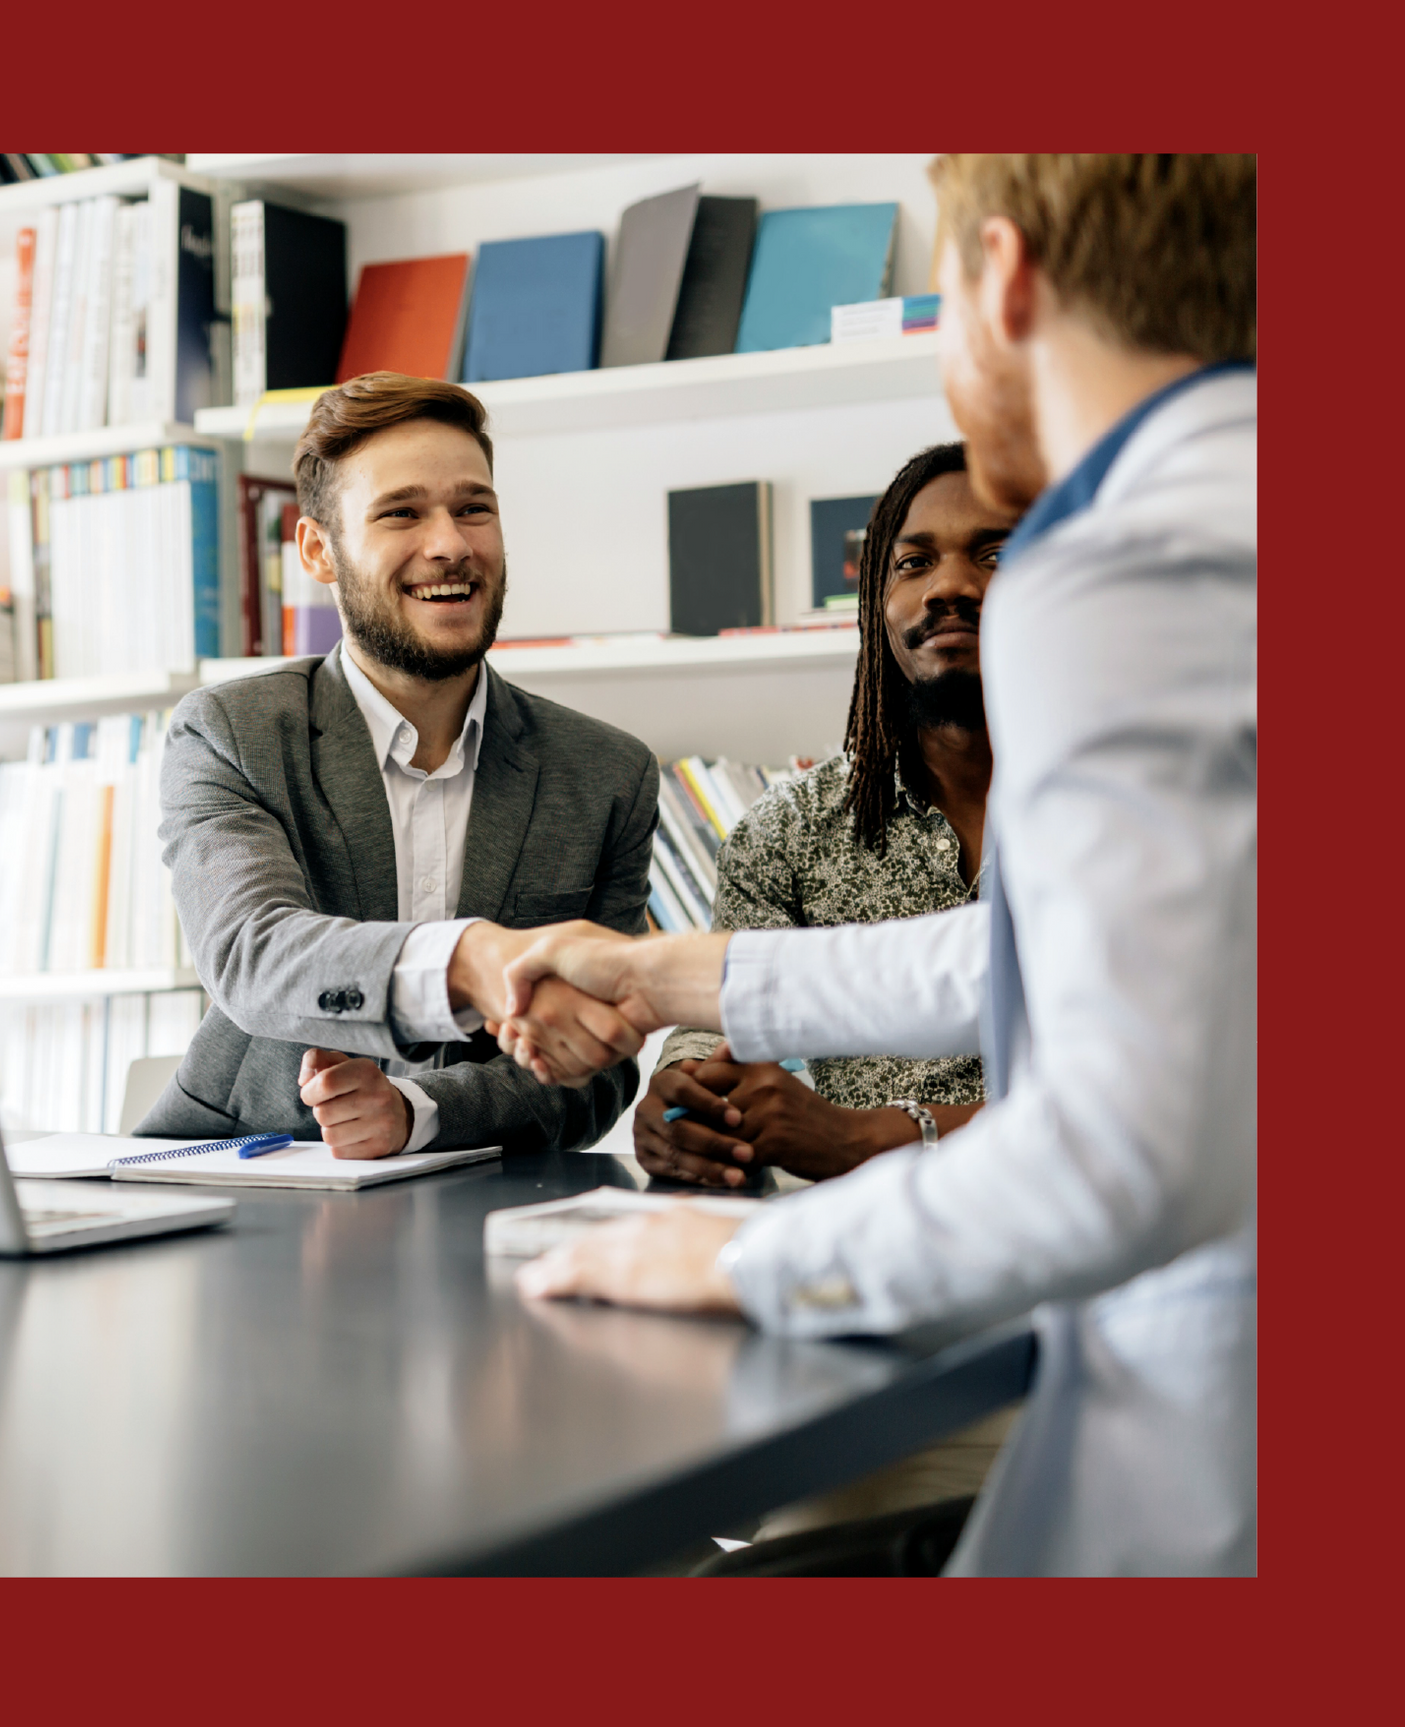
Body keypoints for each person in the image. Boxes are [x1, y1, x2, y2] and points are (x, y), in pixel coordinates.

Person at [497, 154, 1257, 1575]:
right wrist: (662, 973)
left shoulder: (1128, 573)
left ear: (1005, 280)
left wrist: (739, 1263)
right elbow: (1050, 948)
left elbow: (1111, 1148)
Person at [138, 372, 653, 1156]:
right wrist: (469, 959)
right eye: (401, 512)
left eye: (473, 507)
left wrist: (420, 1110)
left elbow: (596, 1065)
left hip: (485, 1191)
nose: (449, 543)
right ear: (319, 549)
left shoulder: (608, 774)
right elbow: (254, 953)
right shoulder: (229, 733)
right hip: (246, 1169)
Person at [637, 441, 1014, 1194]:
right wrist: (687, 1094)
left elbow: (1159, 1079)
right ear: (877, 604)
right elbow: (721, 1020)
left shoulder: (1136, 807)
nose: (949, 585)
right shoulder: (787, 833)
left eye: (995, 554)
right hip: (864, 1242)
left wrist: (885, 1133)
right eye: (913, 563)